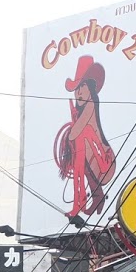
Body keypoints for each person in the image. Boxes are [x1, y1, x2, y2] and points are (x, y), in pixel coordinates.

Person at [54, 55, 116, 219]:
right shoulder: (81, 108)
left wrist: (71, 133)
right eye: (77, 88)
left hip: (105, 161)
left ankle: (82, 202)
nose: (78, 92)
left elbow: (74, 132)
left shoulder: (91, 104)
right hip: (92, 162)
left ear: (90, 88)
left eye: (82, 86)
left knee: (82, 136)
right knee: (79, 152)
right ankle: (90, 199)